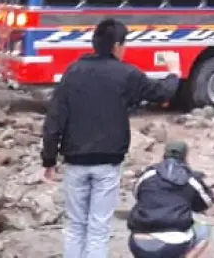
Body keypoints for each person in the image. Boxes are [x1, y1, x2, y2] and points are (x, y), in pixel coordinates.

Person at [42, 18, 182, 258]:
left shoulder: (73, 72)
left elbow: (54, 118)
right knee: (98, 228)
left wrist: (49, 160)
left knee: (75, 226)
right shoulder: (126, 74)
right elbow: (162, 93)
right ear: (117, 45)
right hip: (108, 163)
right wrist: (173, 72)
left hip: (75, 161)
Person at [126, 141, 214, 257]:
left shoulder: (148, 175)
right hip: (174, 245)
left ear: (164, 154)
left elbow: (137, 193)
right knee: (204, 229)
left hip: (139, 243)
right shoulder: (190, 179)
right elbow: (207, 202)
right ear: (185, 156)